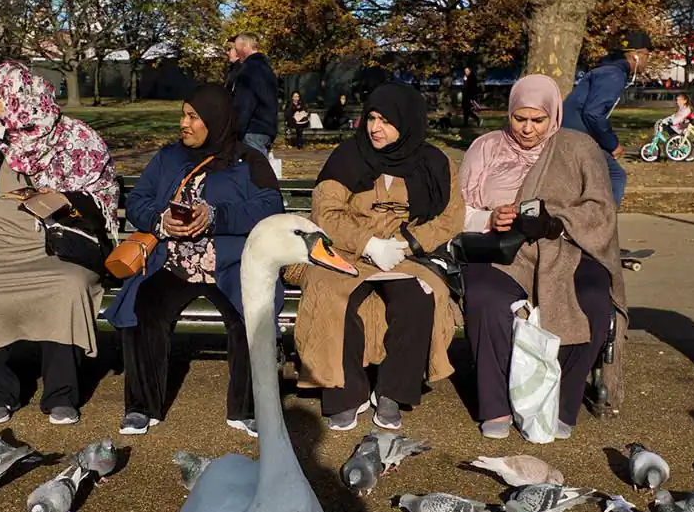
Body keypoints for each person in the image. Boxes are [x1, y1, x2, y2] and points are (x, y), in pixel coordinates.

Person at [0, 61, 119, 426]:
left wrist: (60, 200)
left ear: (20, 98)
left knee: (68, 285)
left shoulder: (75, 138)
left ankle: (61, 393)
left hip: (55, 245)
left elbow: (101, 202)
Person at [104, 83, 284, 437]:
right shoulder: (168, 157)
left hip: (230, 262)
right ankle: (142, 406)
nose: (183, 124)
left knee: (251, 314)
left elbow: (270, 205)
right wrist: (159, 220)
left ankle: (248, 408)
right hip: (172, 261)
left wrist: (217, 216)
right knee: (144, 308)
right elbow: (138, 200)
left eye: (193, 117)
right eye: (183, 115)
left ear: (215, 120)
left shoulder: (248, 160)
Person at [458, 74, 627, 440]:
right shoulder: (486, 148)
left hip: (567, 249)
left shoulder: (579, 148)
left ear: (554, 115)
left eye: (538, 120)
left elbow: (601, 211)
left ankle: (562, 402)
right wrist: (489, 218)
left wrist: (556, 222)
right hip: (501, 251)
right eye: (519, 118)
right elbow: (456, 210)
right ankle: (496, 405)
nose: (528, 129)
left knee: (593, 299)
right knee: (485, 297)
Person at [294, 83, 465, 431]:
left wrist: (407, 243)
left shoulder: (435, 163)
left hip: (406, 254)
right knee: (331, 296)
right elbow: (326, 212)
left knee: (419, 297)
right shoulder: (347, 156)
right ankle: (346, 392)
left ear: (407, 121)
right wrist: (369, 243)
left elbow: (450, 217)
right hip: (347, 250)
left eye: (386, 121)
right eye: (371, 118)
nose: (375, 128)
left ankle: (392, 392)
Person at [563, 29, 653, 207]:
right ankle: (603, 217)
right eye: (647, 55)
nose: (647, 61)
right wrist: (612, 144)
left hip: (571, 131)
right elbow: (593, 113)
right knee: (616, 175)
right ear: (636, 55)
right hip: (575, 135)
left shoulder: (607, 70)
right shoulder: (614, 74)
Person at [232, 32, 278, 154]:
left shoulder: (249, 70)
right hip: (266, 128)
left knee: (252, 165)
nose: (236, 53)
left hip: (252, 130)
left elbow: (244, 104)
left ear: (246, 46)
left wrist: (236, 131)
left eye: (237, 49)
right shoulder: (266, 68)